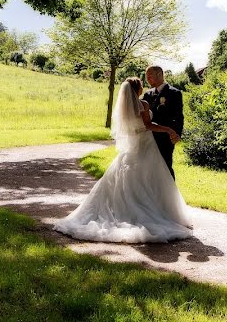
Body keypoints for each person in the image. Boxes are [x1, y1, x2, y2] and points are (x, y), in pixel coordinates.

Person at [53, 77, 193, 243]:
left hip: (131, 148)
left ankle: (126, 209)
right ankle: (154, 211)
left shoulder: (124, 107)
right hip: (145, 145)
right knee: (150, 178)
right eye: (141, 85)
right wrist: (168, 129)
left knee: (128, 178)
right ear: (137, 89)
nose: (143, 88)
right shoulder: (143, 105)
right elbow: (148, 125)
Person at [142, 65, 183, 178]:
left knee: (165, 167)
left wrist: (176, 134)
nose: (147, 79)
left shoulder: (174, 93)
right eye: (146, 77)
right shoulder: (147, 94)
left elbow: (179, 116)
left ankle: (170, 194)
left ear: (160, 74)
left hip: (165, 138)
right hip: (148, 138)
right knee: (149, 169)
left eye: (150, 76)